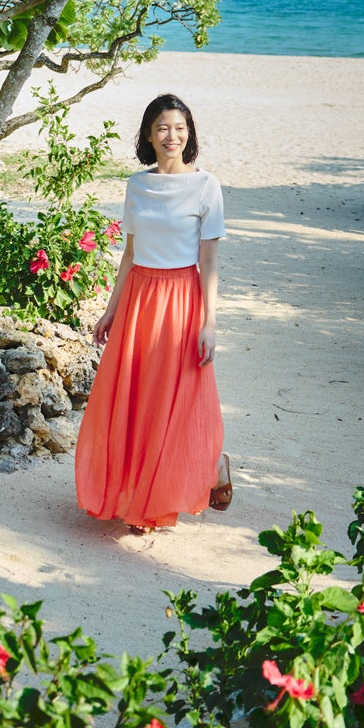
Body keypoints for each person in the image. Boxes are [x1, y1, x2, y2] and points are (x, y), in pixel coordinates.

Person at [74, 93, 232, 534]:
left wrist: (209, 323)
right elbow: (129, 254)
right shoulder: (137, 185)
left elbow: (210, 261)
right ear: (148, 133)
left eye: (180, 128)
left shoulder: (206, 186)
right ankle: (141, 495)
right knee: (138, 399)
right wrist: (111, 309)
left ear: (190, 134)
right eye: (163, 127)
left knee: (178, 400)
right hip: (141, 298)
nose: (172, 136)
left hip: (182, 298)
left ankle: (198, 475)